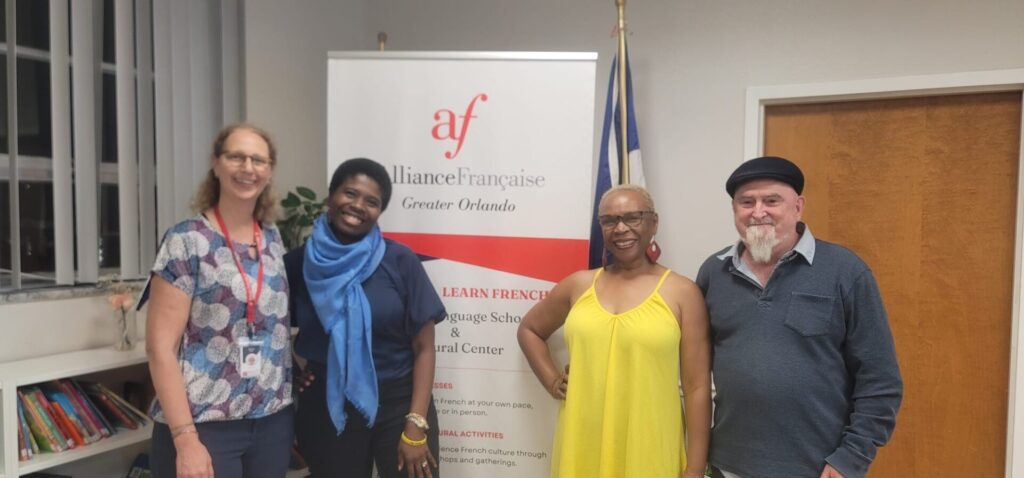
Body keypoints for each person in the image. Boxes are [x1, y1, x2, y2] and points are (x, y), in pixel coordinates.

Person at [697, 156, 903, 478]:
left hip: (817, 468)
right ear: (735, 209)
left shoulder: (845, 271)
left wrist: (851, 457)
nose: (758, 212)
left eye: (772, 201)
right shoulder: (714, 272)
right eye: (747, 202)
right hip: (728, 465)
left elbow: (881, 379)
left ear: (798, 207)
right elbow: (695, 369)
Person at [518, 184, 711, 478]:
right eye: (609, 221)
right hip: (583, 437)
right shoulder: (578, 285)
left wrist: (695, 468)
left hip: (648, 442)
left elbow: (697, 387)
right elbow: (529, 329)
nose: (620, 228)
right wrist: (552, 381)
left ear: (653, 223)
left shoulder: (682, 292)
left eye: (632, 217)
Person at [145, 123, 294, 478]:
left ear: (269, 170)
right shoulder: (186, 241)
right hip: (204, 423)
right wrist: (186, 440)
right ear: (216, 164)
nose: (248, 168)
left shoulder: (273, 239)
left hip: (271, 420)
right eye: (236, 157)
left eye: (258, 160)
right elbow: (160, 349)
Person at [286, 158, 446, 478]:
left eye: (372, 202)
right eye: (350, 193)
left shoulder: (399, 260)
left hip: (400, 402)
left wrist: (416, 423)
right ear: (331, 195)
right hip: (328, 405)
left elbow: (424, 347)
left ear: (379, 211)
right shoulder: (298, 264)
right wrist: (294, 370)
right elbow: (268, 326)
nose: (358, 205)